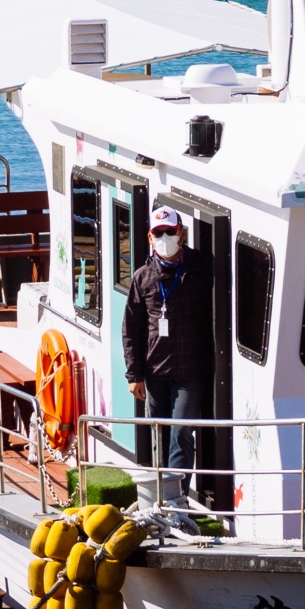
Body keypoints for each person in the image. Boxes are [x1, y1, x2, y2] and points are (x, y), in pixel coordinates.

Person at [122, 205, 207, 504]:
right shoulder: (142, 277)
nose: (164, 238)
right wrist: (134, 375)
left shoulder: (200, 268)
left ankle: (177, 501)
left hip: (190, 373)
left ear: (181, 234)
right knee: (159, 436)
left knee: (181, 434)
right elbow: (130, 329)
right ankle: (161, 498)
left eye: (169, 232)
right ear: (149, 237)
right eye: (158, 233)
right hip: (155, 372)